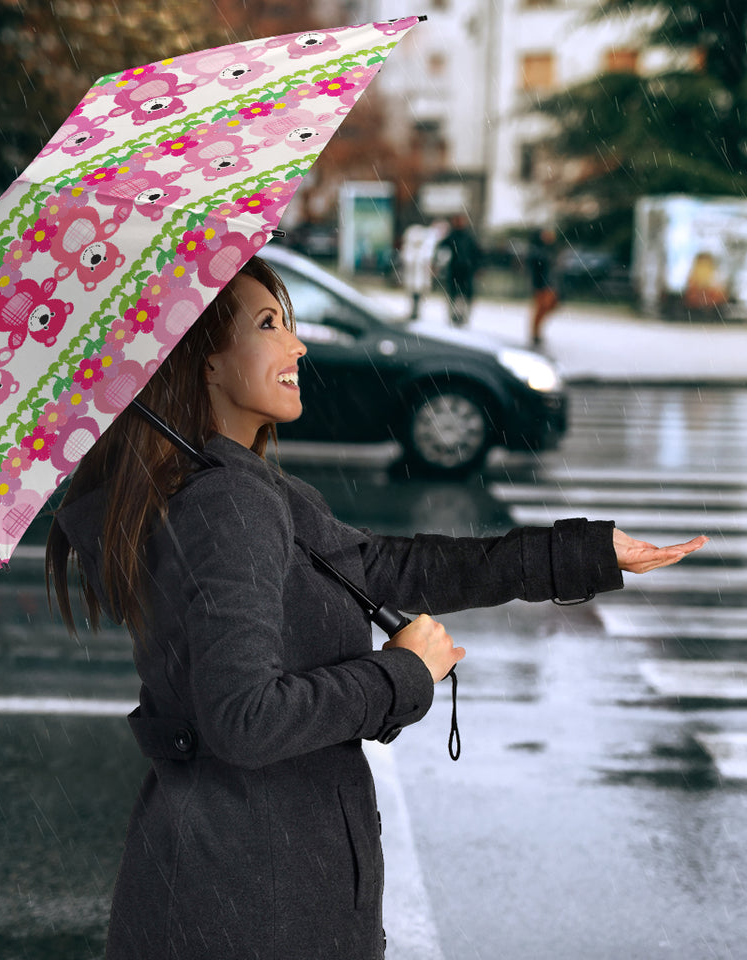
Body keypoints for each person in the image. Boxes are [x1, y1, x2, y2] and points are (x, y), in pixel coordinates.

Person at [46, 256, 706, 960]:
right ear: (204, 363)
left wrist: (583, 554)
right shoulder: (226, 504)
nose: (297, 345)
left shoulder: (238, 489)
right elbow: (244, 720)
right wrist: (400, 673)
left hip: (240, 883)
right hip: (253, 902)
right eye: (269, 325)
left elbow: (390, 567)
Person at [435, 213, 482, 327]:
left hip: (466, 271)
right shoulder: (452, 236)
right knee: (454, 294)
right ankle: (454, 315)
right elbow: (441, 249)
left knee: (464, 295)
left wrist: (477, 267)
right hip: (455, 270)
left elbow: (477, 253)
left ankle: (462, 316)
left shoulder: (468, 237)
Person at [528, 226, 560, 347]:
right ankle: (535, 333)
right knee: (541, 308)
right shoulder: (538, 250)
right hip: (542, 284)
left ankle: (537, 331)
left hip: (550, 283)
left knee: (549, 306)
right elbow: (537, 265)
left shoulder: (550, 249)